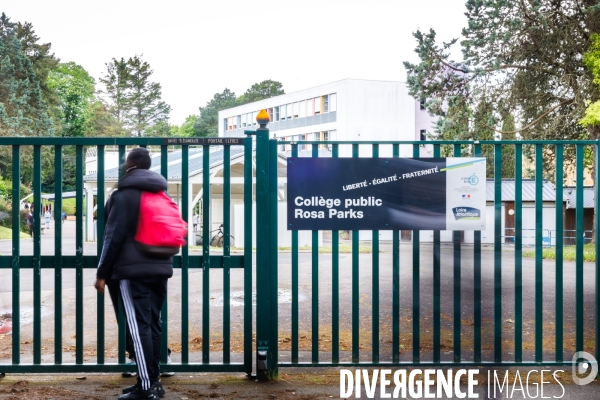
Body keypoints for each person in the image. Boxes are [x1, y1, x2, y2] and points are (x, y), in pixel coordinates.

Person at [94, 148, 173, 400]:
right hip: (160, 269)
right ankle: (152, 381)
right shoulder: (161, 193)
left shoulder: (123, 195)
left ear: (129, 166)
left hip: (131, 272)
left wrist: (102, 272)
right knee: (152, 324)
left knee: (138, 329)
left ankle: (147, 387)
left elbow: (112, 236)